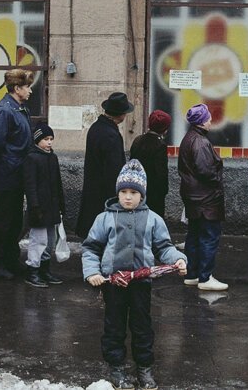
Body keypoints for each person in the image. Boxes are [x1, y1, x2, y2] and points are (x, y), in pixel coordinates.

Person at [82, 159, 187, 390]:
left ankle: (145, 368)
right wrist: (92, 272)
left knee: (142, 326)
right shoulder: (105, 218)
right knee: (114, 326)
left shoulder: (153, 219)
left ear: (142, 194)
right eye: (123, 192)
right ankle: (116, 367)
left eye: (133, 192)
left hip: (141, 284)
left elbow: (163, 247)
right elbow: (90, 248)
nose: (128, 197)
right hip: (113, 284)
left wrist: (177, 259)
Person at [0, 69, 34, 280]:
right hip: (7, 174)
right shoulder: (5, 110)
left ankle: (11, 261)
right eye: (27, 86)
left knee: (14, 221)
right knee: (3, 221)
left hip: (17, 173)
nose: (30, 90)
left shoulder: (20, 109)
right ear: (17, 88)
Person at [178, 104, 227, 291]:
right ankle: (205, 277)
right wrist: (217, 180)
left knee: (194, 235)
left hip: (194, 197)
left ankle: (192, 274)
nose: (210, 121)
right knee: (209, 236)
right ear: (201, 121)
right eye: (207, 118)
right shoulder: (200, 141)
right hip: (206, 199)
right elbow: (206, 171)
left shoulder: (189, 138)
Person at [76, 92, 133, 238]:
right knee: (104, 233)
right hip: (104, 193)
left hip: (94, 188)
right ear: (120, 114)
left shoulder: (97, 127)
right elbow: (113, 170)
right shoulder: (110, 134)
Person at [23, 123, 66, 288]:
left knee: (50, 240)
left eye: (51, 139)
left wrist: (61, 205)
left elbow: (58, 184)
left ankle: (45, 270)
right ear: (37, 140)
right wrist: (34, 206)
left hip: (52, 207)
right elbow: (30, 185)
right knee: (38, 240)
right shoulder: (31, 158)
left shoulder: (52, 157)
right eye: (45, 139)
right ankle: (32, 270)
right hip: (39, 208)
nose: (49, 142)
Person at [130, 110, 171, 218]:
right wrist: (163, 191)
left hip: (137, 188)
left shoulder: (137, 140)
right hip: (154, 193)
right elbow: (161, 173)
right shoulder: (160, 145)